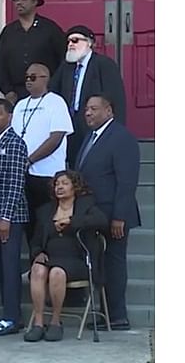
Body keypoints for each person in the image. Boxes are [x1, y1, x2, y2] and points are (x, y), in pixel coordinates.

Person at [76, 94, 140, 331]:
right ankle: (103, 313)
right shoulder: (90, 137)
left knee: (114, 264)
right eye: (86, 109)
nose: (88, 113)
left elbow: (126, 182)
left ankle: (117, 315)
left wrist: (119, 216)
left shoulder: (121, 138)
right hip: (94, 215)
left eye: (93, 109)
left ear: (109, 111)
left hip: (113, 215)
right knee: (100, 264)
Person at [24, 170, 109, 342]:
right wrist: (37, 253)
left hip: (77, 260)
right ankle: (39, 324)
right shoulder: (45, 211)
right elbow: (36, 241)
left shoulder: (86, 206)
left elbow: (102, 222)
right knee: (37, 270)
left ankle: (56, 322)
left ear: (74, 187)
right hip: (51, 257)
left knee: (57, 272)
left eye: (65, 183)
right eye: (57, 184)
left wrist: (73, 223)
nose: (59, 187)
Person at [12, 63, 73, 246]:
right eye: (26, 77)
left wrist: (30, 159)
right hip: (24, 175)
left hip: (47, 175)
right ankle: (35, 265)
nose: (28, 81)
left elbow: (56, 138)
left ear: (45, 79)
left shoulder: (56, 102)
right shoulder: (21, 104)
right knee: (30, 224)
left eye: (33, 77)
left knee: (46, 222)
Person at [0, 99, 29, 336]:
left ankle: (12, 317)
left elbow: (16, 184)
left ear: (9, 116)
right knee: (1, 267)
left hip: (8, 217)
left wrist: (6, 217)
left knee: (10, 267)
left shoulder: (15, 143)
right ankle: (9, 315)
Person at [49, 25, 127, 167]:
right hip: (71, 125)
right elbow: (52, 91)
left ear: (89, 43)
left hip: (94, 125)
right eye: (68, 42)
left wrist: (116, 131)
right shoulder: (66, 67)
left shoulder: (104, 64)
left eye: (75, 40)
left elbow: (116, 99)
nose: (71, 44)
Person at [0, 0, 65, 105]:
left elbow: (63, 60)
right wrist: (8, 91)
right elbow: (1, 65)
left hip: (46, 92)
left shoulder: (50, 29)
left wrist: (53, 87)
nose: (18, 3)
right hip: (16, 95)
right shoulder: (8, 32)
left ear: (35, 2)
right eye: (16, 0)